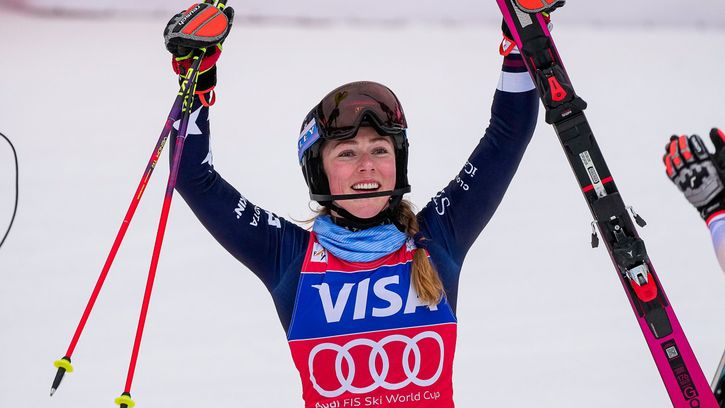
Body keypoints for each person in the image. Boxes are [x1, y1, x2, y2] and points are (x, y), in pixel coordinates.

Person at [164, 3, 540, 407]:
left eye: (380, 149)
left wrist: (521, 38)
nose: (367, 165)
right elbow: (192, 177)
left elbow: (507, 136)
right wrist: (196, 86)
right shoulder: (290, 258)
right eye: (346, 153)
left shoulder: (437, 238)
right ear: (319, 172)